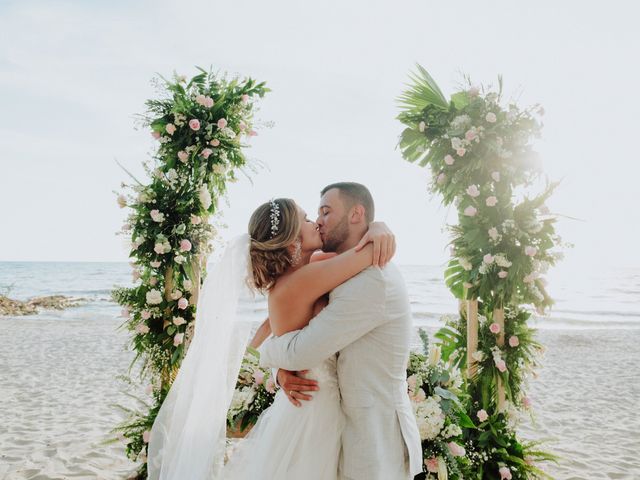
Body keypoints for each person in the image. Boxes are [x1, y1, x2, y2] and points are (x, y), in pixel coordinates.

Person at [147, 189, 397, 480]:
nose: (316, 221)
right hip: (313, 410)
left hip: (309, 403)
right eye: (306, 218)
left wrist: (278, 370)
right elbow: (366, 255)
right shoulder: (302, 280)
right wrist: (380, 228)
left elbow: (268, 330)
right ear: (292, 239)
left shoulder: (300, 275)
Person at [259, 182, 423, 480]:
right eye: (313, 216)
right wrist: (282, 371)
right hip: (328, 426)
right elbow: (294, 326)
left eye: (325, 212)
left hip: (374, 443)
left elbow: (301, 349)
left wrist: (270, 356)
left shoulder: (372, 281)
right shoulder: (338, 269)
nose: (318, 221)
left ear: (356, 214)